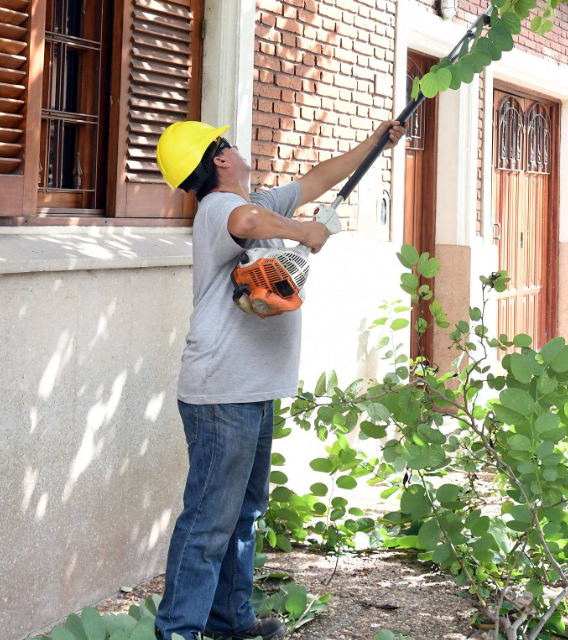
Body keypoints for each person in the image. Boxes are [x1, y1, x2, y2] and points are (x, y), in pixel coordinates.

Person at [153, 119, 405, 640]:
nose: (240, 148)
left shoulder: (263, 202)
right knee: (207, 523)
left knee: (243, 515)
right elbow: (244, 220)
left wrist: (377, 141)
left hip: (251, 391)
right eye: (230, 144)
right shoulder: (219, 209)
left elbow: (318, 178)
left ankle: (230, 625)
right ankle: (177, 631)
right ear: (220, 159)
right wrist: (303, 231)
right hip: (221, 393)